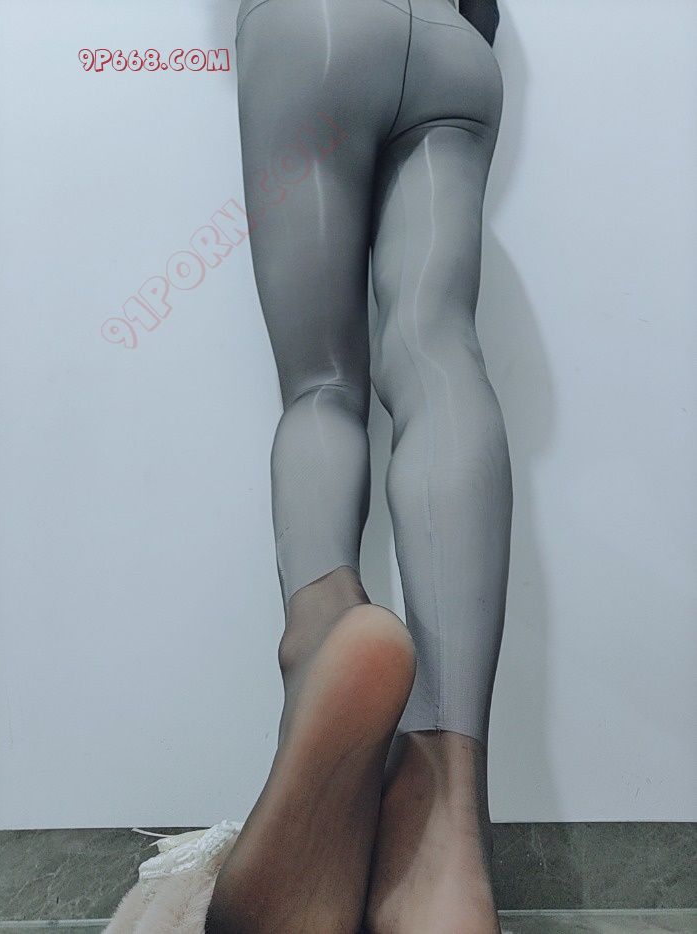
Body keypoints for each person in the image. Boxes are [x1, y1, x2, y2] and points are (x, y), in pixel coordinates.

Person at [207, 0, 511, 930]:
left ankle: (325, 636)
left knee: (322, 387)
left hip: (317, 25)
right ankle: (446, 826)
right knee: (438, 355)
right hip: (457, 53)